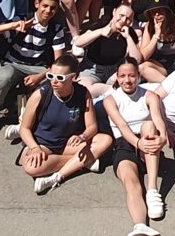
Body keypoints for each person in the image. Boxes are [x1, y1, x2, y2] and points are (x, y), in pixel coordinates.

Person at [0, 0, 69, 139]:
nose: (48, 11)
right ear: (37, 4)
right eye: (45, 6)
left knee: (53, 82)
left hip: (37, 66)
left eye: (53, 8)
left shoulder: (57, 29)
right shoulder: (21, 19)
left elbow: (57, 63)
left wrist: (40, 77)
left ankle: (34, 114)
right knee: (4, 78)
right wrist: (12, 26)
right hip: (12, 62)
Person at [17, 54, 110, 195]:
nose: (54, 81)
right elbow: (25, 128)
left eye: (60, 78)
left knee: (105, 140)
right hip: (43, 143)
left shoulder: (83, 94)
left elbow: (92, 127)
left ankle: (58, 176)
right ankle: (84, 162)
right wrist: (34, 148)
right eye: (51, 76)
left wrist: (83, 137)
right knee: (31, 167)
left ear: (73, 78)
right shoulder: (41, 94)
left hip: (69, 143)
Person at [99, 60, 168, 236]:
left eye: (131, 75)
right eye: (122, 76)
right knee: (131, 183)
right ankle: (140, 225)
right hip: (124, 144)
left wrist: (162, 137)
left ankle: (152, 189)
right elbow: (122, 126)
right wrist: (137, 144)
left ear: (138, 76)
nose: (127, 80)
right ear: (117, 77)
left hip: (148, 140)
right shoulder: (111, 100)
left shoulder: (150, 96)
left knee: (149, 126)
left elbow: (159, 120)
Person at [72, 5, 142, 97]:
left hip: (114, 70)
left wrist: (128, 37)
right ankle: (113, 90)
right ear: (114, 12)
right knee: (84, 90)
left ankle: (110, 90)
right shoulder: (100, 25)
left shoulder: (130, 33)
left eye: (128, 18)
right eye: (121, 15)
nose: (124, 20)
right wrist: (100, 32)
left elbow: (137, 60)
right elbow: (78, 43)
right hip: (93, 69)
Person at [138, 2, 175, 83]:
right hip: (160, 64)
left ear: (167, 11)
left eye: (160, 11)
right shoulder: (149, 26)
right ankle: (167, 85)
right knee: (141, 67)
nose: (157, 14)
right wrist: (156, 35)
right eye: (153, 12)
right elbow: (143, 56)